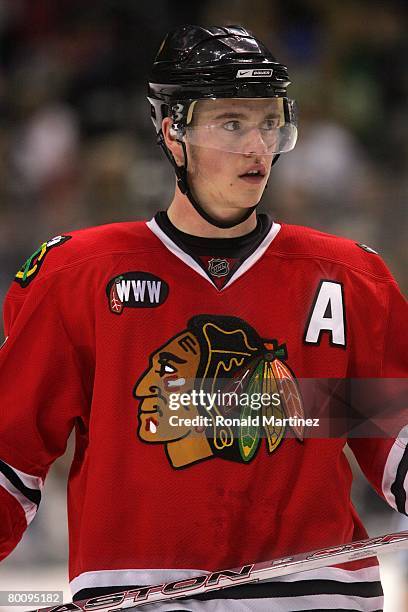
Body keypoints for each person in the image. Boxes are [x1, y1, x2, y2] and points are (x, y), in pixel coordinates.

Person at [0, 24, 407, 612]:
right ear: (173, 131)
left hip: (318, 599)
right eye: (232, 124)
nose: (257, 147)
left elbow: (393, 437)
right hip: (138, 597)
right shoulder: (78, 277)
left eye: (269, 123)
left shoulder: (347, 278)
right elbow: (11, 452)